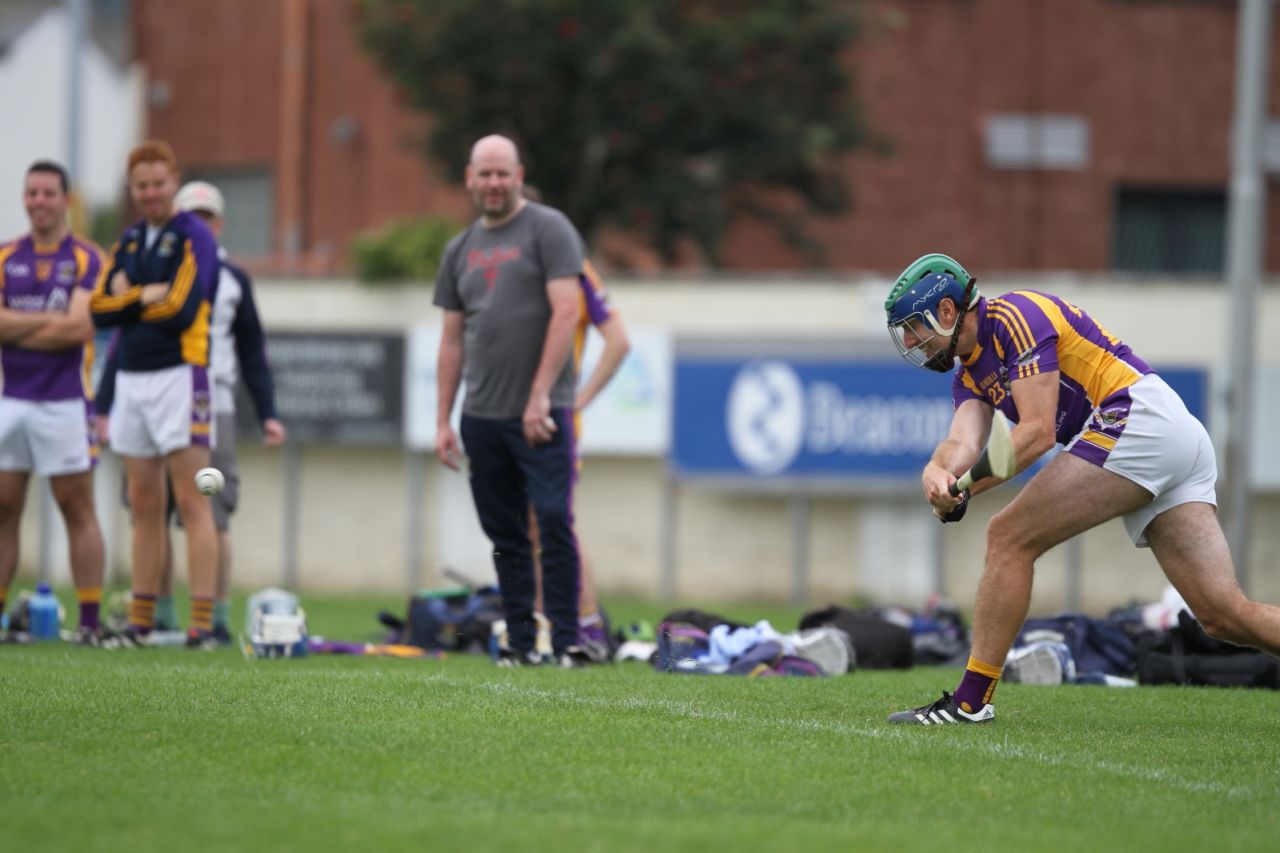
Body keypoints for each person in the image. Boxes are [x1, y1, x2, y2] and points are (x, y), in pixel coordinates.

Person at [882, 252, 1280, 724]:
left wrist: (964, 489)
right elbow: (962, 441)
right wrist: (937, 471)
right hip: (1169, 434)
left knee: (1008, 537)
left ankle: (970, 703)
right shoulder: (969, 370)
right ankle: (971, 703)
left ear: (947, 311)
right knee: (1223, 617)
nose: (911, 340)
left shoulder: (1016, 318)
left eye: (914, 325)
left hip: (1137, 419)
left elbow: (1036, 434)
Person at [95, 180, 286, 643]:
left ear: (217, 224)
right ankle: (158, 611)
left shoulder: (234, 279)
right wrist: (102, 403)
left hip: (208, 402)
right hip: (149, 391)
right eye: (191, 217)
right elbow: (118, 337)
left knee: (207, 507)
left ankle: (214, 616)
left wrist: (267, 413)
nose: (199, 225)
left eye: (207, 217)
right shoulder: (151, 261)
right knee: (146, 507)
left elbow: (251, 350)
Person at [433, 134, 589, 668]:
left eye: (503, 173)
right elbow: (453, 339)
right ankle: (522, 644)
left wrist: (540, 395)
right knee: (504, 536)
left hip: (542, 415)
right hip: (483, 416)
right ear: (469, 178)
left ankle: (570, 640)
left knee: (552, 520)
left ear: (519, 175)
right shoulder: (459, 250)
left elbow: (566, 312)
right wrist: (442, 420)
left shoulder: (550, 229)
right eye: (486, 174)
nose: (494, 183)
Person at [89, 141, 221, 649]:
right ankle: (142, 620)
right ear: (133, 189)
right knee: (143, 501)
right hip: (131, 380)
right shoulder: (127, 242)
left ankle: (202, 623)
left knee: (193, 500)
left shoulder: (194, 236)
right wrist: (145, 295)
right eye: (141, 186)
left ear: (174, 180)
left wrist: (131, 299)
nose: (150, 193)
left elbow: (183, 309)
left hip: (180, 376)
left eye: (158, 183)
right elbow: (99, 309)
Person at [0, 160, 108, 643]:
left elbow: (79, 329)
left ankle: (88, 623)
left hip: (65, 402)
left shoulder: (87, 258)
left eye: (48, 193)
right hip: (11, 399)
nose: (39, 201)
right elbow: (57, 325)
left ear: (66, 200)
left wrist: (18, 327)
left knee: (76, 508)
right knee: (3, 509)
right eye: (31, 193)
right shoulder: (5, 257)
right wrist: (50, 322)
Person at [529, 256, 630, 656]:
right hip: (509, 416)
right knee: (531, 527)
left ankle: (587, 625)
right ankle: (542, 624)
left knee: (552, 522)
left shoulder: (570, 265)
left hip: (552, 421)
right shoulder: (499, 260)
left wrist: (578, 400)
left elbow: (619, 339)